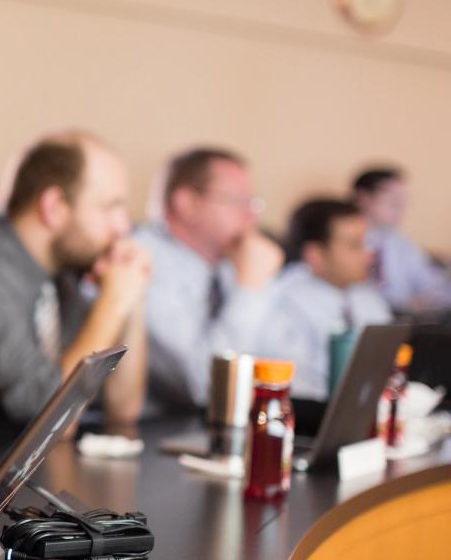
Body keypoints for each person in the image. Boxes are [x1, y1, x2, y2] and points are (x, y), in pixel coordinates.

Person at [0, 132, 149, 435]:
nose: (124, 226)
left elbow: (123, 408)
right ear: (54, 207)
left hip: (21, 467)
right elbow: (53, 420)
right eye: (109, 208)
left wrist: (132, 296)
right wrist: (113, 302)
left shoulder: (61, 273)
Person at [135, 148, 283, 414]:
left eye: (253, 203)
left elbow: (278, 365)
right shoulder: (142, 260)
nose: (253, 217)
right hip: (151, 433)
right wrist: (251, 287)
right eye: (238, 201)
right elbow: (205, 386)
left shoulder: (229, 264)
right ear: (187, 204)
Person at [253, 198, 392, 401]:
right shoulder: (283, 303)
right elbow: (298, 385)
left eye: (366, 243)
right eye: (355, 246)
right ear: (315, 254)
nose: (368, 255)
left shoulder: (367, 298)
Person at [353, 167, 451, 314]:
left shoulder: (401, 244)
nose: (401, 209)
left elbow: (435, 285)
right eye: (393, 202)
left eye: (404, 202)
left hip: (402, 321)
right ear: (364, 198)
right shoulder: (346, 244)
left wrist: (428, 300)